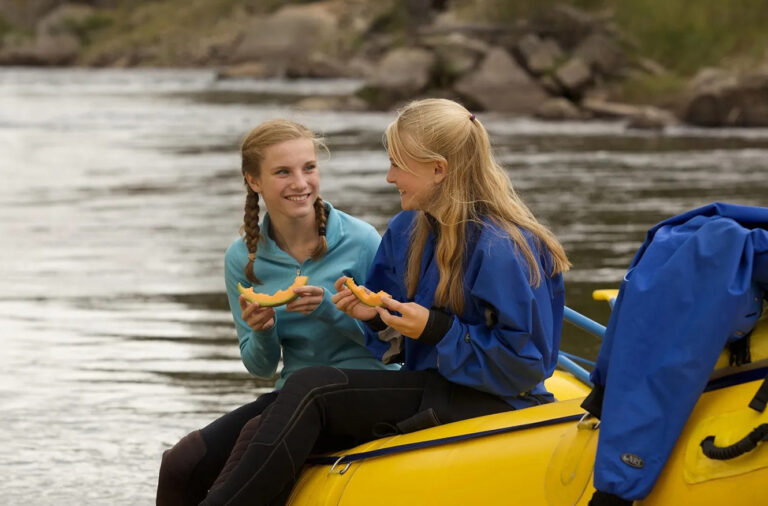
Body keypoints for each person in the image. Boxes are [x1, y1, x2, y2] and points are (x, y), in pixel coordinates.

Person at [198, 98, 571, 506]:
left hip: (493, 400)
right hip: (431, 385)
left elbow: (526, 367)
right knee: (289, 402)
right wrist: (375, 318)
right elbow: (395, 343)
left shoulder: (504, 247)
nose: (390, 176)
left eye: (398, 164)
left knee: (313, 387)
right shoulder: (406, 229)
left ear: (438, 170)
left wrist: (435, 328)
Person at [156, 119, 395, 505]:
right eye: (283, 172)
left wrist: (331, 312)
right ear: (254, 181)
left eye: (309, 168)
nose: (300, 183)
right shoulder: (242, 259)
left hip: (365, 386)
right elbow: (261, 366)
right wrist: (263, 330)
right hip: (293, 392)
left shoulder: (362, 240)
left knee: (252, 439)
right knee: (182, 462)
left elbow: (393, 344)